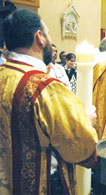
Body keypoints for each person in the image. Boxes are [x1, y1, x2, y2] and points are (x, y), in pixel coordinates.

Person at [0, 9, 98, 195]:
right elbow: (78, 150)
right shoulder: (44, 87)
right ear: (39, 37)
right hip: (42, 185)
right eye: (49, 33)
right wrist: (84, 121)